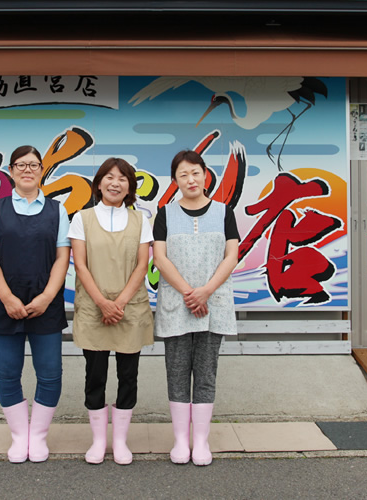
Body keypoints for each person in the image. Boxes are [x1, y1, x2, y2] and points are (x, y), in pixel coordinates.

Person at [0, 145, 70, 463]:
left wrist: (47, 297)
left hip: (47, 304)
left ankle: (38, 436)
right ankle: (19, 436)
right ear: (11, 171)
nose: (27, 169)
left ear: (42, 170)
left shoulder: (57, 210)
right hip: (6, 303)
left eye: (34, 165)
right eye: (21, 164)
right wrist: (6, 297)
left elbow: (63, 257)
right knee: (7, 372)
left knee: (50, 373)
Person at [152, 150, 238, 466]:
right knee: (176, 372)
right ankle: (179, 441)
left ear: (205, 174)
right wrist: (190, 293)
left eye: (195, 173)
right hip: (178, 305)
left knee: (205, 373)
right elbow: (160, 258)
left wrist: (206, 291)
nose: (190, 179)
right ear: (175, 181)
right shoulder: (164, 214)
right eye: (183, 175)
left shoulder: (224, 211)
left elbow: (231, 256)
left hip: (212, 305)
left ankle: (200, 441)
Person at [68, 158, 154, 465]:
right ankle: (98, 441)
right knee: (95, 376)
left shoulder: (141, 220)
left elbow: (142, 265)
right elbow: (80, 264)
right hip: (94, 308)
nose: (115, 183)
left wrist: (119, 303)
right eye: (109, 177)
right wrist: (103, 303)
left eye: (122, 178)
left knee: (128, 376)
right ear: (99, 182)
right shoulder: (82, 218)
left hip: (129, 310)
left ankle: (120, 442)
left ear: (130, 185)